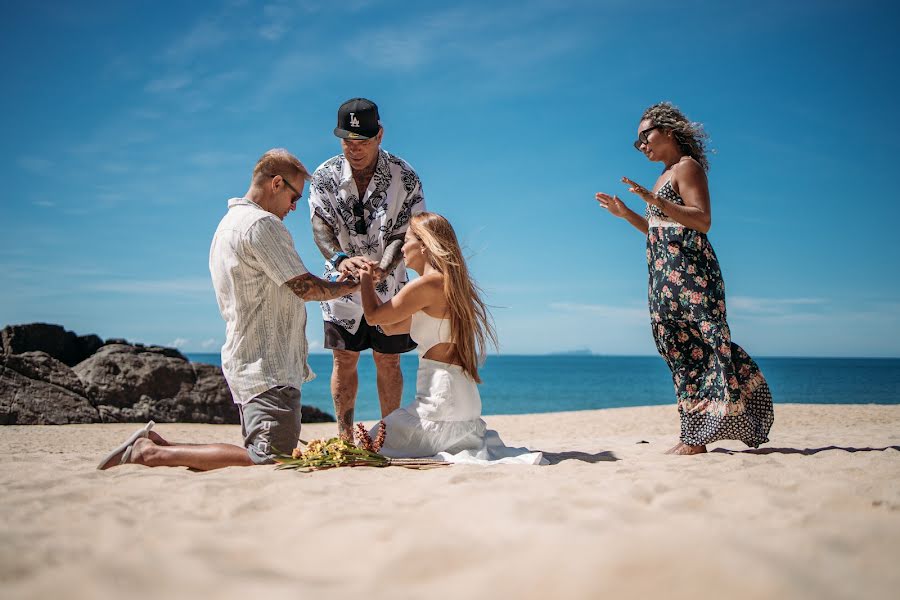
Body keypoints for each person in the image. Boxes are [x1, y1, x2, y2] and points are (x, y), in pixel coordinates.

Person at [97, 149, 358, 471]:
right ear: (277, 183)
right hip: (269, 364)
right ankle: (149, 453)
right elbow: (304, 287)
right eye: (294, 197)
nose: (294, 207)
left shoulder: (229, 224)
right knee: (271, 458)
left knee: (264, 453)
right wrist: (352, 285)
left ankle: (159, 447)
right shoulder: (261, 224)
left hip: (251, 359)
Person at [595, 102, 774, 455]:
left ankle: (717, 426)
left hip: (691, 273)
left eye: (644, 136)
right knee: (678, 352)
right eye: (637, 142)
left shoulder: (686, 168)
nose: (641, 144)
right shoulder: (661, 176)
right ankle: (692, 435)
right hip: (662, 277)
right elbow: (658, 230)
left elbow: (702, 220)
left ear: (669, 132)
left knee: (708, 344)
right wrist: (627, 212)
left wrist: (652, 199)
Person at [358, 212, 545, 465]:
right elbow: (391, 328)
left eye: (408, 239)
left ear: (424, 245)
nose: (402, 246)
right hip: (463, 401)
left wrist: (365, 278)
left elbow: (373, 317)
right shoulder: (451, 285)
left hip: (440, 402)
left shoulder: (426, 285)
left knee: (369, 443)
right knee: (379, 438)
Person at [308, 98, 426, 441]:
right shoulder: (324, 175)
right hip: (340, 285)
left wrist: (385, 266)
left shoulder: (405, 176)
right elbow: (320, 226)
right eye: (347, 141)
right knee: (343, 359)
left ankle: (388, 438)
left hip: (390, 284)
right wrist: (341, 260)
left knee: (388, 361)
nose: (354, 149)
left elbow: (406, 229)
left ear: (380, 136)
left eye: (362, 142)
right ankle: (346, 438)